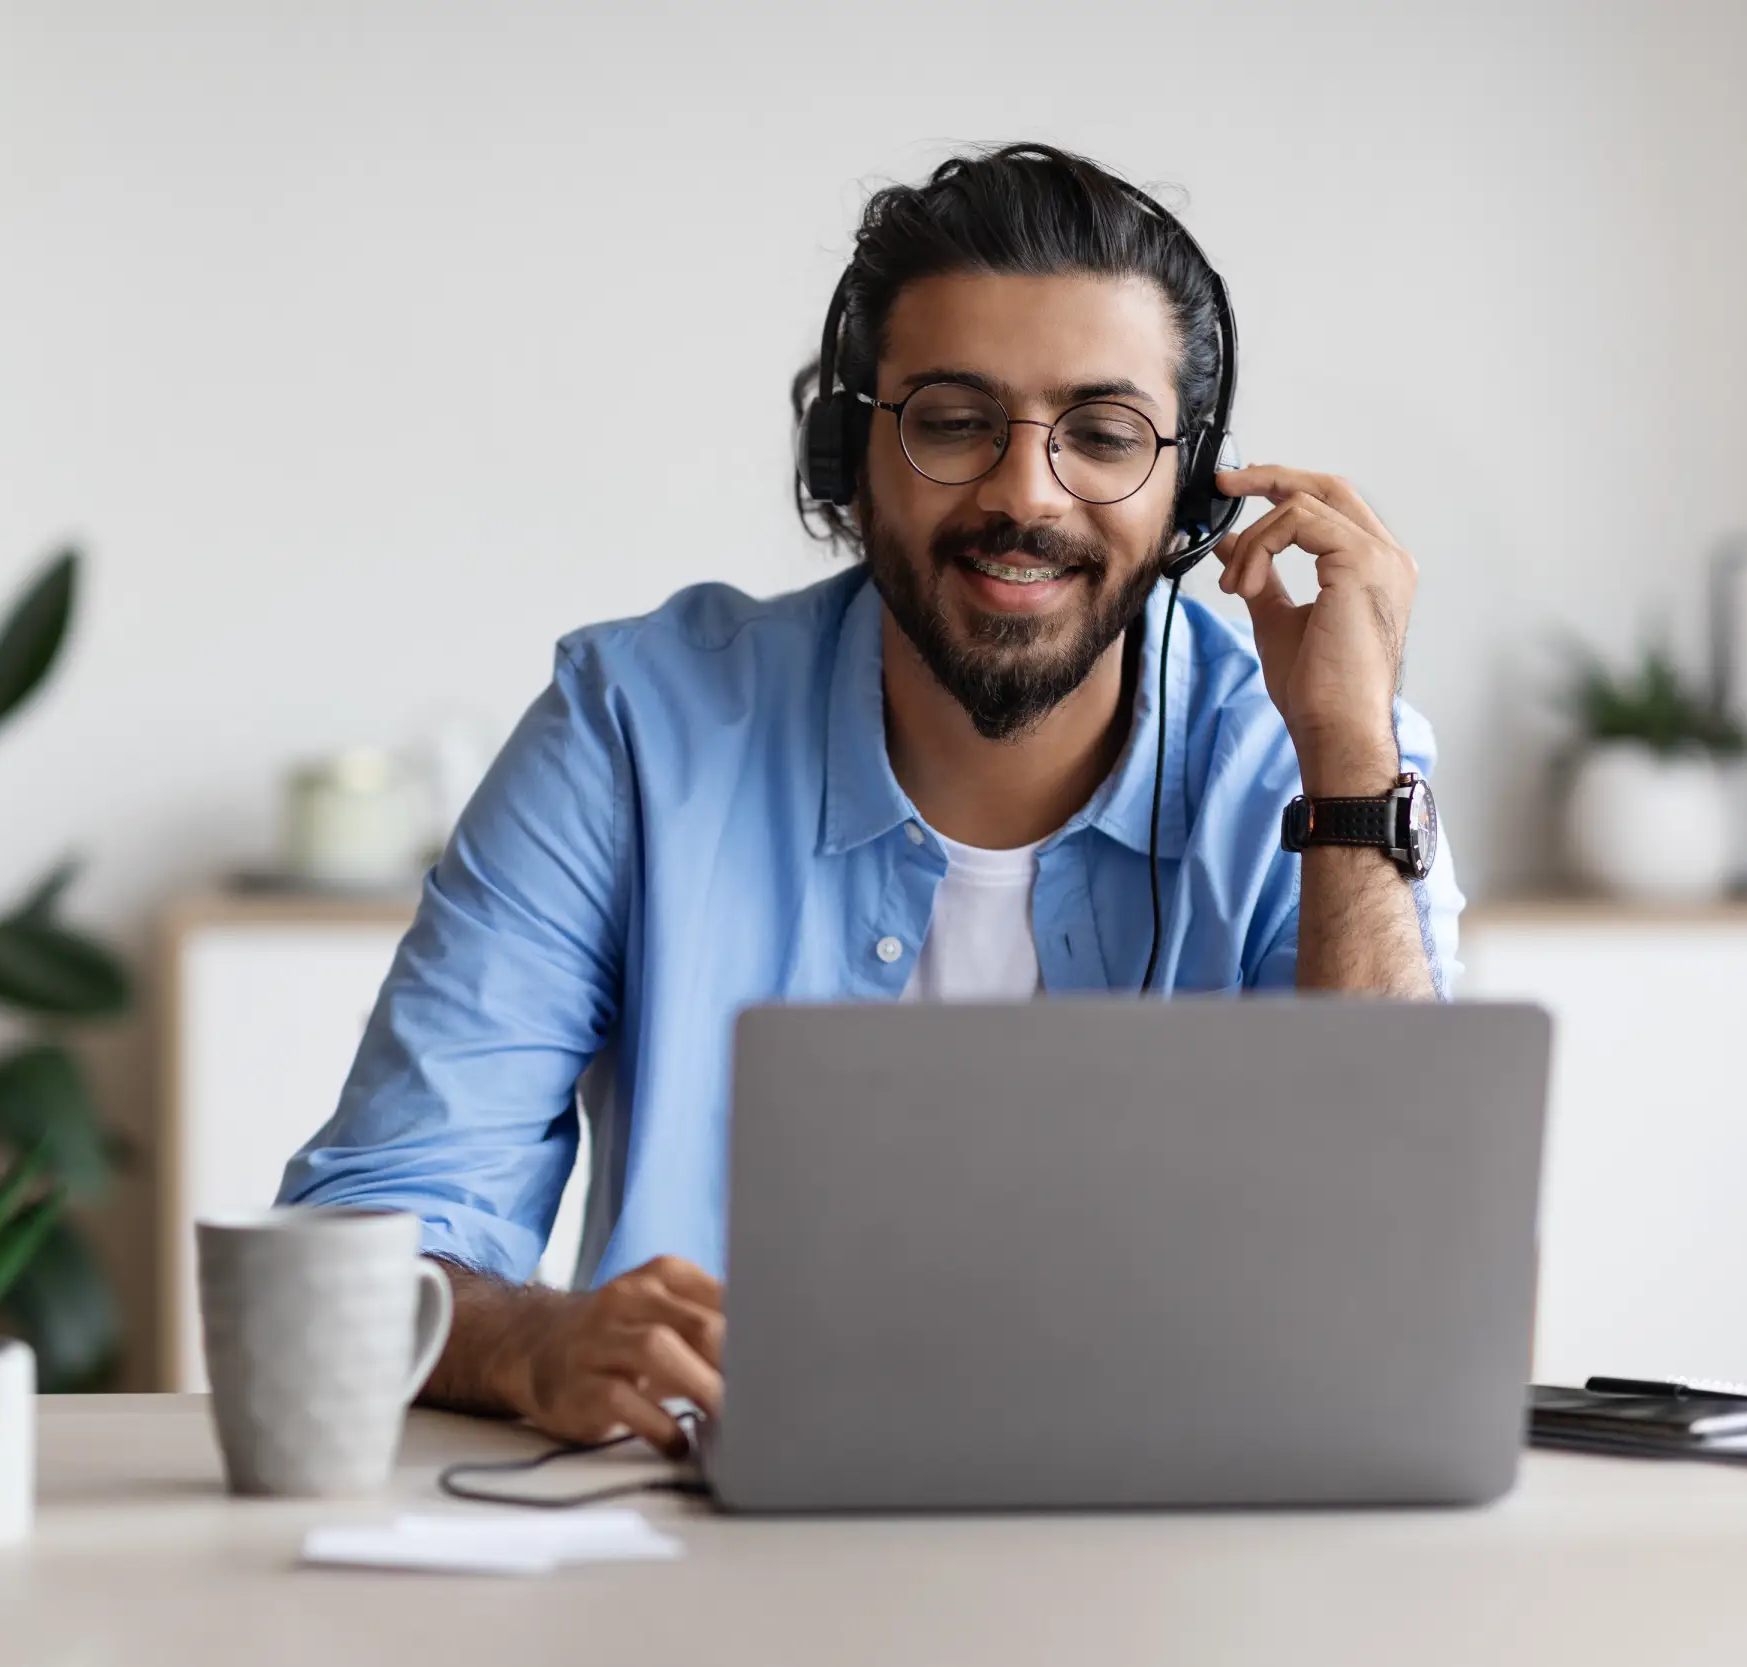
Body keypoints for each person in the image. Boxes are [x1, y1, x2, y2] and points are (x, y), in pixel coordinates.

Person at [278, 142, 1464, 1454]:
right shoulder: (632, 730)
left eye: (1103, 435)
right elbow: (366, 1242)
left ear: (1188, 495)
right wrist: (534, 1340)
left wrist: (1352, 755)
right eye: (955, 420)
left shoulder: (1314, 760)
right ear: (851, 457)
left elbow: (1420, 1294)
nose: (1025, 492)